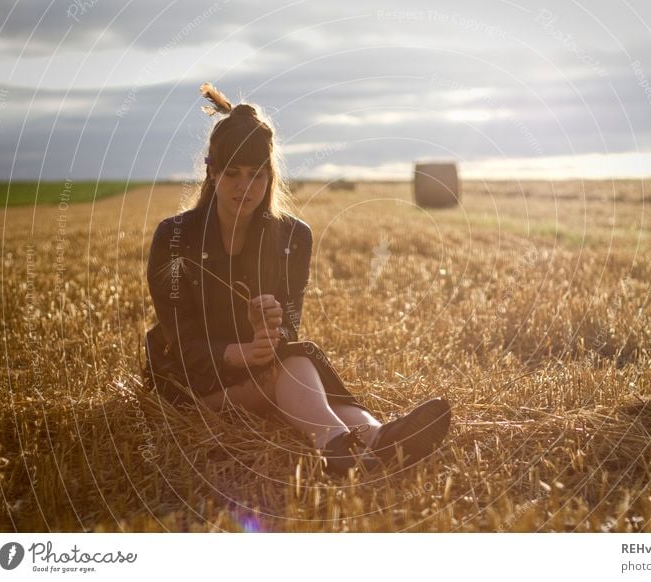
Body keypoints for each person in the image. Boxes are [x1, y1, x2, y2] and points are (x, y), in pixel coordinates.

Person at [141, 82, 451, 477]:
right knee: (288, 369)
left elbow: (288, 330)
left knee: (293, 360)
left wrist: (269, 328)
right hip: (191, 384)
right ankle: (353, 440)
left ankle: (369, 440)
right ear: (212, 172)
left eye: (256, 175)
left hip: (262, 367)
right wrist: (240, 353)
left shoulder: (292, 237)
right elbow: (177, 342)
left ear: (270, 176)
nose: (244, 187)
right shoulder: (175, 237)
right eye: (232, 173)